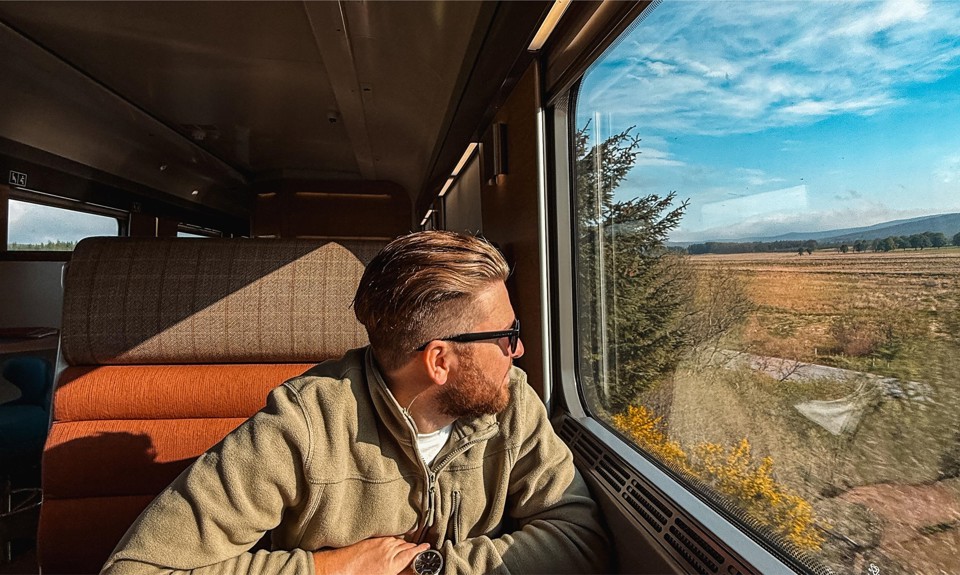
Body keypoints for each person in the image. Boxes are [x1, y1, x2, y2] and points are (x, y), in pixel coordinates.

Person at [101, 231, 609, 575]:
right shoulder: (302, 426)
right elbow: (136, 569)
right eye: (506, 335)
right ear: (439, 360)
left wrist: (425, 569)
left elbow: (581, 539)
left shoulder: (511, 403)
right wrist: (327, 569)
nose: (518, 350)